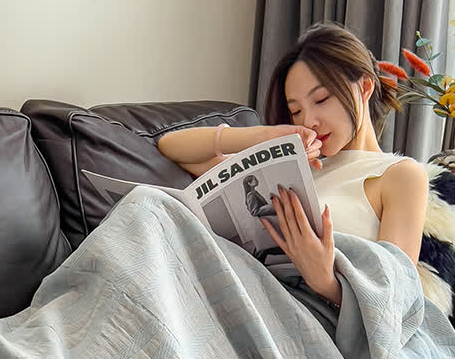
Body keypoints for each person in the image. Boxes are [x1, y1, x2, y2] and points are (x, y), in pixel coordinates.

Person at [157, 21, 429, 309]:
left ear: (364, 87)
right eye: (296, 110)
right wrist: (264, 135)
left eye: (322, 99)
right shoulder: (288, 169)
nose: (308, 120)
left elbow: (397, 301)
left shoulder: (399, 175)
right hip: (247, 296)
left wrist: (324, 281)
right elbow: (171, 146)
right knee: (148, 204)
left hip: (311, 320)